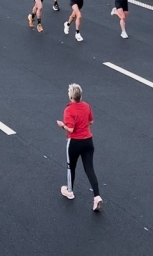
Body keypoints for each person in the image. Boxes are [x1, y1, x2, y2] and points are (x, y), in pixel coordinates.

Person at [56, 83, 102, 212]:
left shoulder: (69, 110)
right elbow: (91, 121)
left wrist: (61, 125)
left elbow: (70, 128)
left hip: (75, 142)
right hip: (88, 141)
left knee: (71, 167)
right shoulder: (86, 106)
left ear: (71, 96)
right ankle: (97, 196)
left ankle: (70, 191)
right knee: (89, 168)